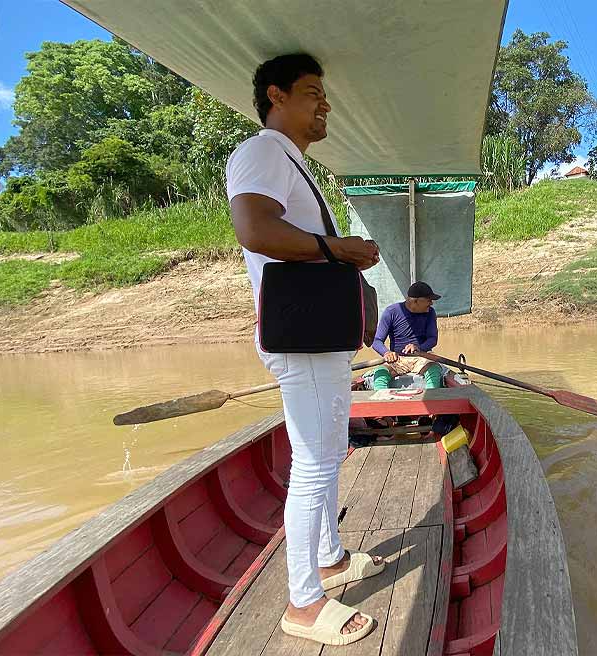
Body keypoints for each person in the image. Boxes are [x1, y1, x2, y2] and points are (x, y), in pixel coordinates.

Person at [226, 53, 385, 646]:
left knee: (323, 453)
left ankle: (330, 560)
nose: (325, 105)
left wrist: (335, 250)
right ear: (276, 96)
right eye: (312, 92)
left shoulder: (288, 160)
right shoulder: (264, 150)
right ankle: (303, 603)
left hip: (314, 336)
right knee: (315, 463)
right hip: (302, 339)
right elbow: (256, 230)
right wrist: (336, 249)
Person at [370, 281, 445, 389]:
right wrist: (386, 353)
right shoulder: (391, 312)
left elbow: (433, 339)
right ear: (414, 301)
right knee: (380, 373)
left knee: (434, 370)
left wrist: (419, 348)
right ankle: (382, 402)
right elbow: (376, 341)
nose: (431, 303)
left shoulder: (430, 312)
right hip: (398, 359)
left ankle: (431, 399)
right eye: (429, 300)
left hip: (422, 357)